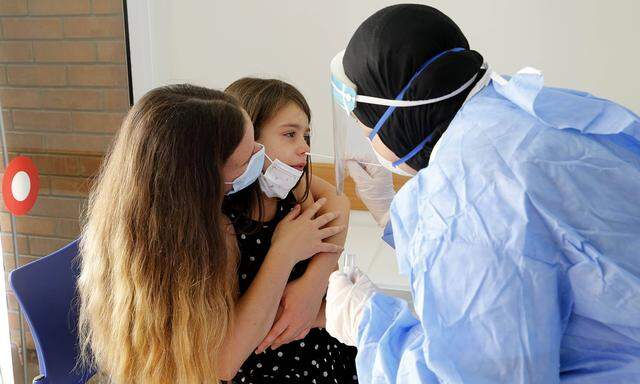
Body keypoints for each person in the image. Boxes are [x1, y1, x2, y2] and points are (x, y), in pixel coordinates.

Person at [324, 4, 640, 383]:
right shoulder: (530, 109)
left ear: (395, 118)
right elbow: (546, 243)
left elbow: (483, 373)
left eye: (367, 130)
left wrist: (369, 325)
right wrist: (390, 214)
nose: (369, 141)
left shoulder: (463, 191)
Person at [77, 84, 344, 383]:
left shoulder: (130, 210)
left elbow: (337, 204)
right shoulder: (212, 235)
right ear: (204, 177)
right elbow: (223, 363)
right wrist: (284, 253)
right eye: (247, 160)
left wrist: (311, 286)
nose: (260, 157)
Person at [224, 77, 358, 383]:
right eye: (290, 135)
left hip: (321, 350)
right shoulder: (225, 223)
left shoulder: (293, 191)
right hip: (263, 361)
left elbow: (339, 203)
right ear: (248, 141)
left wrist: (312, 285)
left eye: (307, 135)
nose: (305, 148)